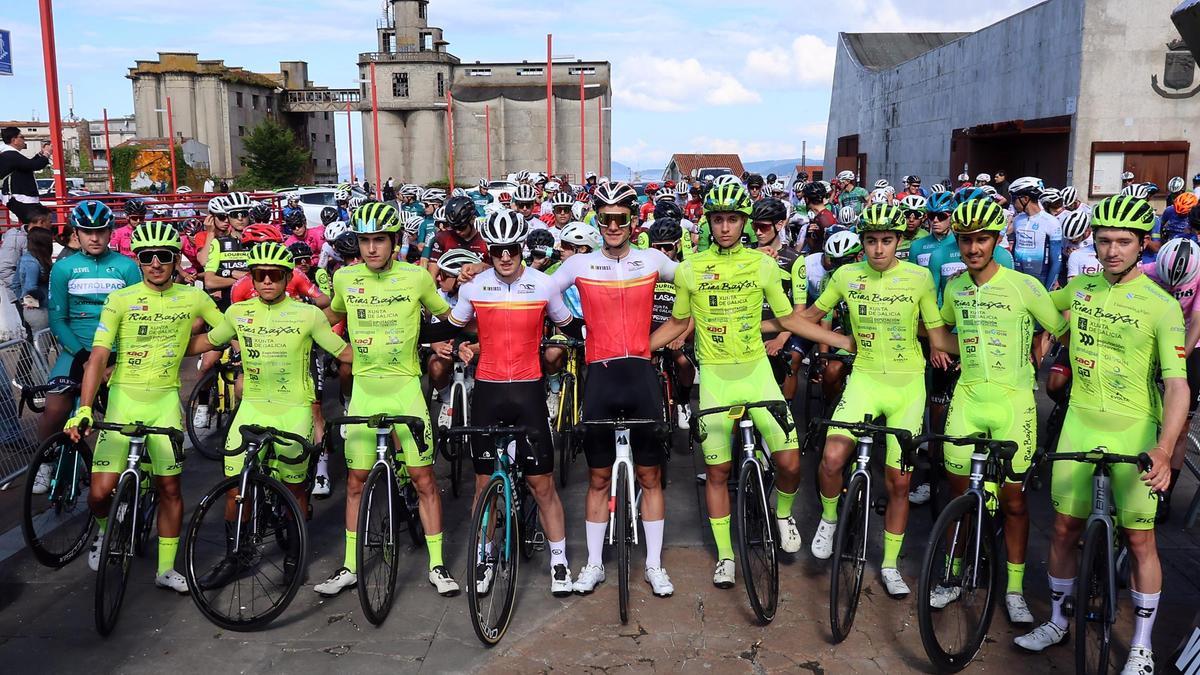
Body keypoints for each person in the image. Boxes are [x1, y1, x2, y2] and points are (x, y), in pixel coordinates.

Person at [1015, 196, 1185, 675]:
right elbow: (1030, 304)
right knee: (1064, 528)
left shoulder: (1162, 305)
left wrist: (1164, 449)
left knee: (1140, 538)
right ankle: (1056, 621)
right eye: (1104, 240)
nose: (1112, 251)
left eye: (1123, 242)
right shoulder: (1081, 287)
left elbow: (1177, 385)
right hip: (1080, 421)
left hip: (1134, 429)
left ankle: (1141, 646)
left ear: (1143, 244)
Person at [652, 183, 850, 589]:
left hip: (757, 373)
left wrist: (842, 341)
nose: (725, 227)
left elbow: (789, 319)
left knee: (790, 462)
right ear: (708, 223)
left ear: (744, 222)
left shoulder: (763, 265)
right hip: (716, 378)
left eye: (733, 219)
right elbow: (677, 323)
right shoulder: (690, 269)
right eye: (718, 220)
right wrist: (632, 351)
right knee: (718, 471)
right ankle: (726, 556)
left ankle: (783, 513)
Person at [774, 202, 957, 598]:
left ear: (898, 241)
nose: (878, 249)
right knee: (831, 458)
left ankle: (889, 565)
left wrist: (978, 348)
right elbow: (806, 318)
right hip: (865, 380)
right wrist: (834, 339)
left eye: (886, 240)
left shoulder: (919, 277)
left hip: (907, 386)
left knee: (898, 482)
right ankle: (829, 519)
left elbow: (937, 334)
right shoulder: (846, 275)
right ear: (863, 242)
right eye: (871, 240)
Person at [425, 212, 578, 596]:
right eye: (497, 251)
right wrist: (411, 334)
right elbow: (450, 327)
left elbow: (570, 325)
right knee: (483, 484)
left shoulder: (543, 285)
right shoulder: (474, 288)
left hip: (528, 392)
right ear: (489, 251)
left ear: (521, 249)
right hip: (489, 393)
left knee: (542, 484)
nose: (505, 257)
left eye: (512, 249)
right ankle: (484, 554)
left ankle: (559, 561)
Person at [65, 222, 223, 591]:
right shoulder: (120, 299)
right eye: (147, 256)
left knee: (170, 488)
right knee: (99, 494)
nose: (155, 263)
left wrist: (200, 347)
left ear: (175, 260)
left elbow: (225, 330)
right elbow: (98, 356)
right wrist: (84, 408)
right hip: (123, 400)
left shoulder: (193, 297)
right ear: (138, 260)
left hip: (164, 402)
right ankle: (106, 530)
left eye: (163, 256)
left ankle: (166, 569)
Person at [538, 182, 678, 598]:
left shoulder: (652, 259)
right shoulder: (580, 264)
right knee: (598, 478)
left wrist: (674, 330)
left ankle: (654, 565)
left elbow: (695, 282)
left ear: (633, 221)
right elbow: (541, 290)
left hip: (641, 375)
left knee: (650, 476)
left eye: (620, 218)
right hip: (599, 377)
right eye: (605, 219)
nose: (613, 226)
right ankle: (595, 564)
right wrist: (572, 327)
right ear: (597, 221)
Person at [315, 202, 461, 598]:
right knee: (356, 482)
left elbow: (449, 317)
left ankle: (437, 565)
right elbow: (331, 318)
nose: (371, 248)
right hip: (365, 390)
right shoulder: (344, 278)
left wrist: (471, 333)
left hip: (405, 388)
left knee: (423, 479)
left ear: (394, 242)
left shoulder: (416, 277)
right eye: (364, 241)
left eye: (379, 240)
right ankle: (349, 566)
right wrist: (310, 333)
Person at [934, 198, 1068, 625]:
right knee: (958, 496)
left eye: (982, 239)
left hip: (1014, 402)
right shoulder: (955, 288)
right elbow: (948, 335)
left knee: (1013, 502)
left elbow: (1061, 325)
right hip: (968, 398)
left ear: (996, 241)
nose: (973, 248)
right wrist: (938, 344)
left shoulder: (1024, 285)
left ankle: (1013, 589)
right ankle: (952, 574)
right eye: (966, 240)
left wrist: (1041, 347)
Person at [187, 242, 351, 588]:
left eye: (274, 276)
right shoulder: (237, 312)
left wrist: (390, 356)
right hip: (253, 407)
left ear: (287, 278)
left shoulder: (308, 315)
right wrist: (162, 346)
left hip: (293, 409)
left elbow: (342, 351)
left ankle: (294, 554)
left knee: (294, 489)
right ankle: (236, 555)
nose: (266, 282)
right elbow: (208, 342)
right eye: (259, 275)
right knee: (236, 488)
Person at [29, 202, 141, 495]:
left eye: (101, 231)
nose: (94, 238)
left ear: (110, 231)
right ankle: (45, 462)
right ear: (76, 233)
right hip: (75, 350)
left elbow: (135, 318)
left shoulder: (127, 267)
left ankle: (126, 470)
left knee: (124, 415)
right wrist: (84, 356)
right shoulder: (63, 268)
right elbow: (58, 319)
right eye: (87, 232)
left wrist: (114, 359)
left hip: (116, 353)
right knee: (55, 409)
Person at [1008, 177, 1063, 290]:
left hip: (1040, 278)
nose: (1012, 203)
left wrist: (1048, 289)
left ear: (1025, 199)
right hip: (1018, 277)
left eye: (1014, 199)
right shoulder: (1018, 220)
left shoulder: (1051, 222)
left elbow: (1056, 261)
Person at [0, 126, 52, 225]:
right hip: (19, 197)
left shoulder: (9, 155)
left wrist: (40, 154)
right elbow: (35, 165)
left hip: (19, 197)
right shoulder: (11, 155)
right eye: (22, 137)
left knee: (38, 222)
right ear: (14, 140)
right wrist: (47, 153)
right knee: (39, 223)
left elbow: (27, 165)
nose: (24, 140)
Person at [0, 202, 53, 290]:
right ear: (41, 222)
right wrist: (18, 293)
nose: (51, 225)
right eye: (50, 221)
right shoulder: (15, 237)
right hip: (23, 292)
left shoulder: (41, 237)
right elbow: (5, 269)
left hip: (38, 290)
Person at [11, 225, 53, 333]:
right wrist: (42, 298)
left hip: (34, 310)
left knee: (41, 340)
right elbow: (31, 288)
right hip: (40, 310)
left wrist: (23, 300)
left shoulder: (27, 258)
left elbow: (15, 284)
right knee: (43, 341)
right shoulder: (32, 262)